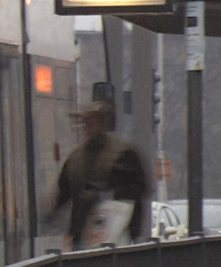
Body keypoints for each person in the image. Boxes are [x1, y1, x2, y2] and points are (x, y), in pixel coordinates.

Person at [52, 99, 153, 250]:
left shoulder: (123, 154)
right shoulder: (75, 158)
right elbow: (65, 192)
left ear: (104, 123)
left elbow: (139, 189)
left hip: (117, 235)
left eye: (94, 121)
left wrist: (107, 195)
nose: (89, 127)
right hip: (83, 236)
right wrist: (54, 212)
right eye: (87, 122)